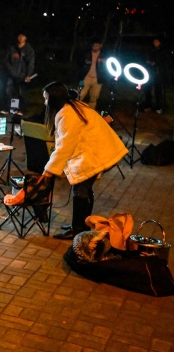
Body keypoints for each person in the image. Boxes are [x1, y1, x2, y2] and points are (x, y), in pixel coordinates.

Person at [38, 82, 127, 240]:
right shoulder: (73, 107)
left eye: (46, 98)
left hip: (96, 153)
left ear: (55, 99)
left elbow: (65, 146)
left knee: (80, 190)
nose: (45, 102)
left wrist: (49, 171)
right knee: (84, 189)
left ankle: (78, 229)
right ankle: (82, 224)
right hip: (98, 151)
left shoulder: (67, 114)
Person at [5, 34, 36, 113]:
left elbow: (31, 63)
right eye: (19, 35)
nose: (21, 37)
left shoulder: (29, 50)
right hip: (12, 74)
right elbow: (6, 60)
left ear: (26, 37)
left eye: (23, 36)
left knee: (21, 93)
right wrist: (10, 69)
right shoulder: (12, 48)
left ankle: (20, 110)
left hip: (22, 75)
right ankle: (7, 109)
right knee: (8, 91)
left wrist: (28, 75)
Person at [77, 40, 106, 110]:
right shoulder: (86, 53)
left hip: (97, 79)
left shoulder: (104, 55)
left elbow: (108, 66)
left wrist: (104, 62)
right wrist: (85, 62)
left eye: (97, 45)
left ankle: (91, 112)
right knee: (79, 95)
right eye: (94, 45)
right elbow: (79, 63)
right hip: (86, 77)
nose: (95, 47)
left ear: (100, 45)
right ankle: (76, 110)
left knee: (94, 97)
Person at [145, 38, 171, 113]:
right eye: (154, 41)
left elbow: (166, 62)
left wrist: (157, 65)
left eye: (157, 41)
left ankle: (159, 107)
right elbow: (147, 58)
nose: (155, 43)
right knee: (148, 89)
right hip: (150, 72)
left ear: (160, 42)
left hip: (159, 73)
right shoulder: (151, 50)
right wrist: (149, 63)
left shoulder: (163, 51)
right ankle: (148, 105)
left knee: (158, 91)